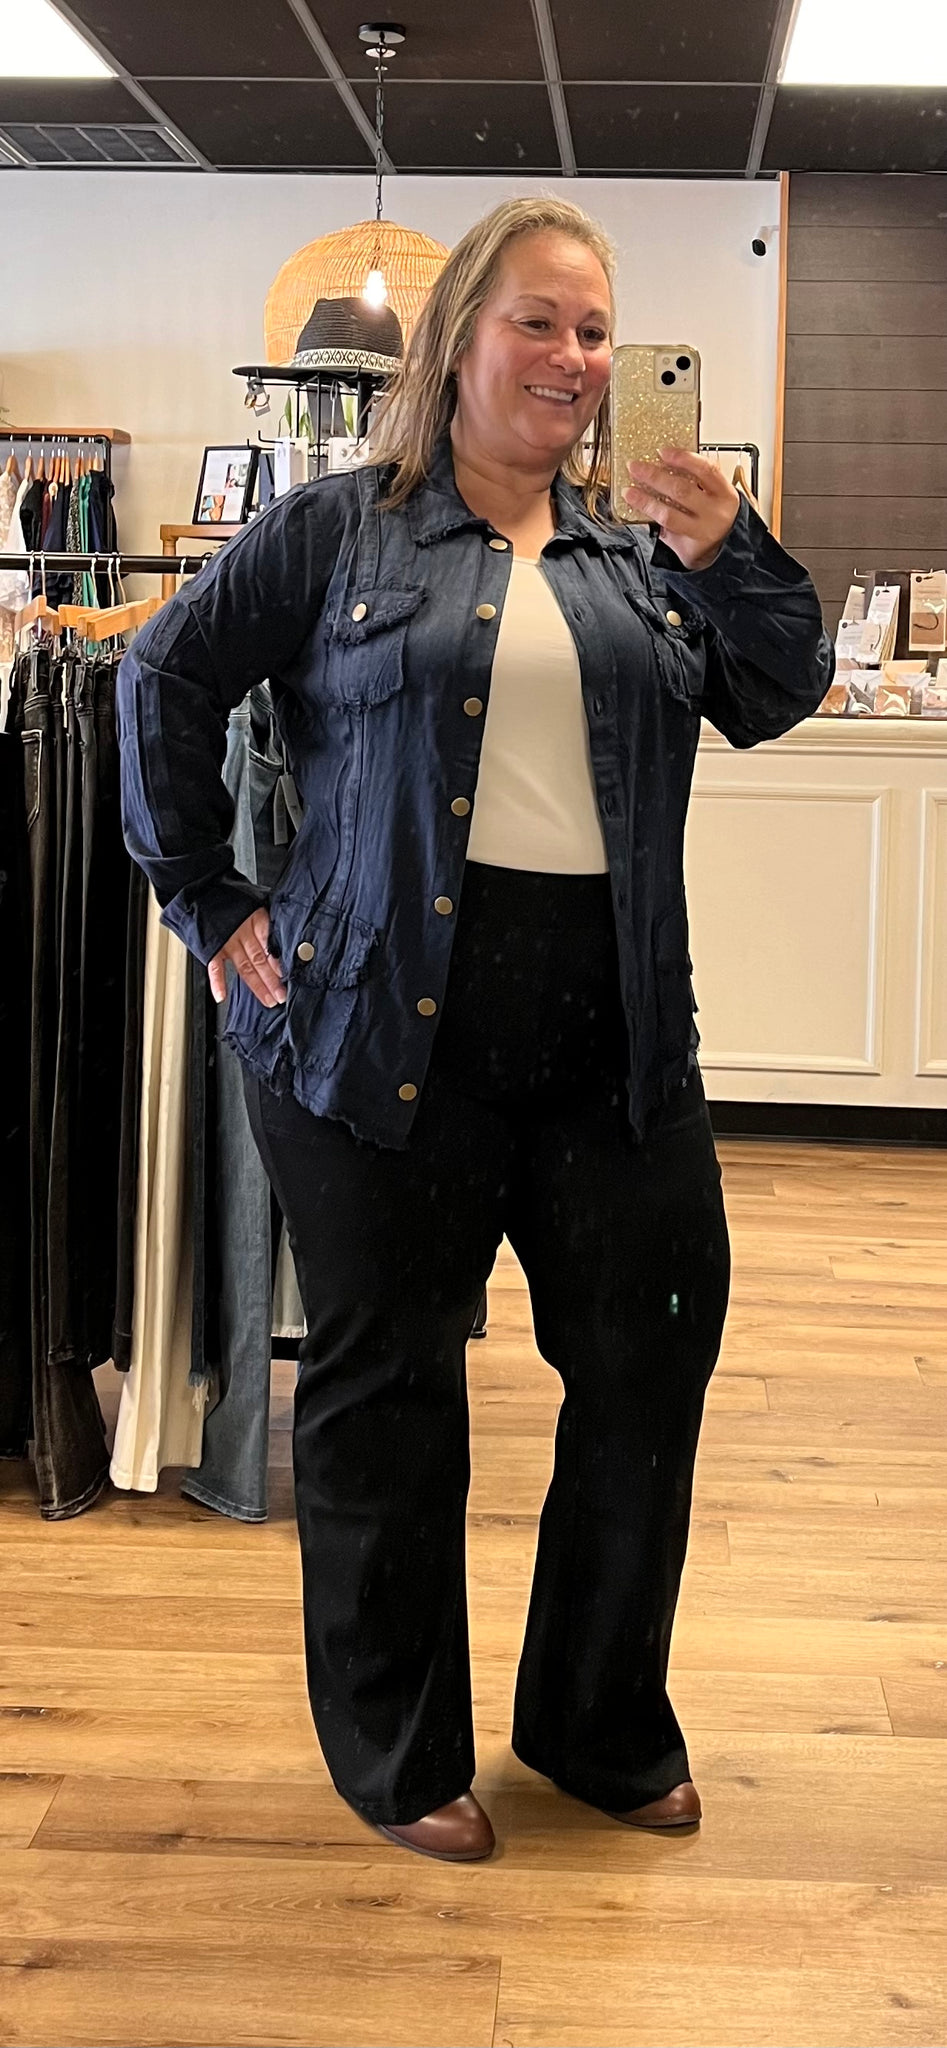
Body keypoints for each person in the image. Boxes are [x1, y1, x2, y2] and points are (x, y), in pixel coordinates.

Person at [117, 196, 834, 1866]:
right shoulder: (335, 532)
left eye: (597, 331)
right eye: (540, 322)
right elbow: (161, 674)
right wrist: (208, 899)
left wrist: (736, 545)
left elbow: (779, 688)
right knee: (388, 1391)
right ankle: (397, 1748)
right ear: (457, 342)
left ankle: (595, 1723)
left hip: (614, 1036)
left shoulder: (644, 552)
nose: (575, 358)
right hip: (376, 1029)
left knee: (649, 1360)